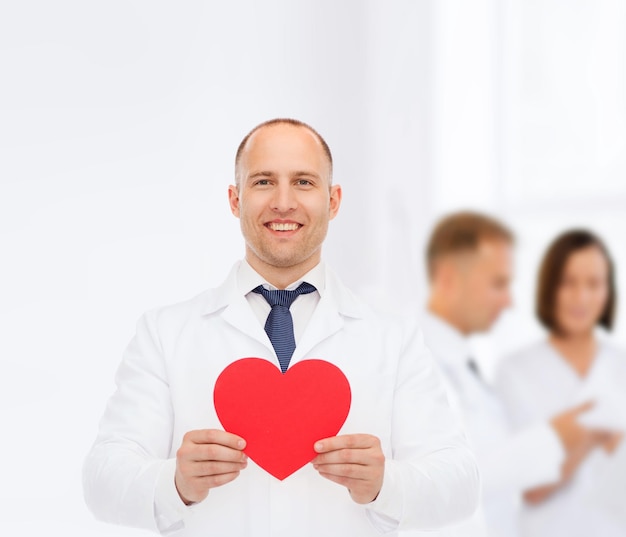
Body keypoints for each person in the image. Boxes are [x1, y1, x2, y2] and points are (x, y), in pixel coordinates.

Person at [82, 118, 480, 536]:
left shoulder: (392, 338)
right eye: (263, 182)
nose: (284, 202)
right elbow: (102, 480)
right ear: (235, 200)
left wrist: (386, 484)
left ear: (334, 200)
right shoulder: (165, 333)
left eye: (304, 182)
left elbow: (460, 483)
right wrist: (175, 483)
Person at [414, 212, 597, 537]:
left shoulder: (464, 363)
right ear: (448, 279)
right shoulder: (417, 363)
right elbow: (448, 480)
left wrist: (572, 442)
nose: (509, 301)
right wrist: (553, 437)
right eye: (498, 284)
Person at [495, 229, 625, 537]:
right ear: (549, 287)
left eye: (593, 284)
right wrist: (593, 436)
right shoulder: (515, 370)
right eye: (568, 282)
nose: (581, 297)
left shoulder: (622, 366)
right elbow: (530, 487)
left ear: (608, 292)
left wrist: (570, 439)